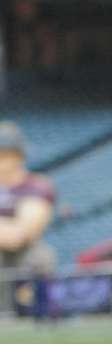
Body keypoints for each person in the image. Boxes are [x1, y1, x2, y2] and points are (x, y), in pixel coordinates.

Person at [0, 121, 56, 315]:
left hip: (24, 257)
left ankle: (37, 314)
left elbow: (19, 236)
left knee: (40, 257)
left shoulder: (36, 185)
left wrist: (11, 230)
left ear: (16, 156)